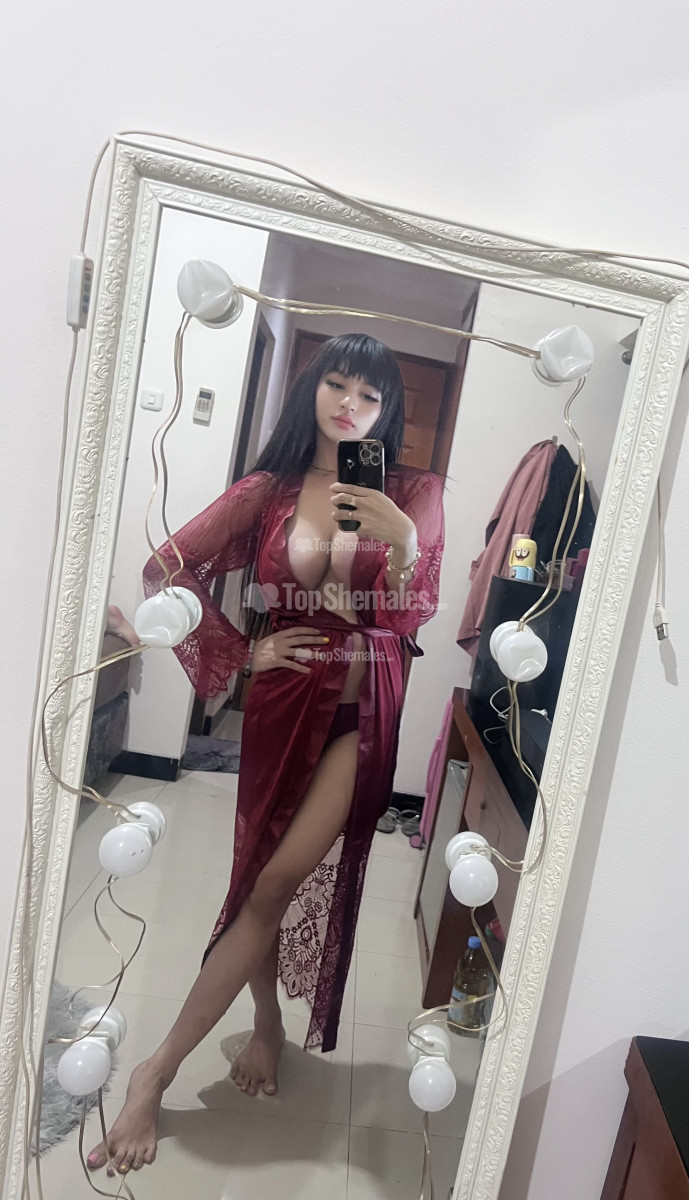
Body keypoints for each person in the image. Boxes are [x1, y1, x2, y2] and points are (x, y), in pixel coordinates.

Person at [87, 334, 445, 1177]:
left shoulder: (412, 493)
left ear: (388, 410)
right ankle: (266, 1023)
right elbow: (166, 567)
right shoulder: (269, 489)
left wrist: (400, 541)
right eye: (337, 382)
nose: (350, 403)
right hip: (284, 705)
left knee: (276, 880)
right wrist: (242, 652)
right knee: (256, 877)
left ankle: (153, 1072)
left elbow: (410, 613)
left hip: (364, 712)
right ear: (311, 388)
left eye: (370, 393)